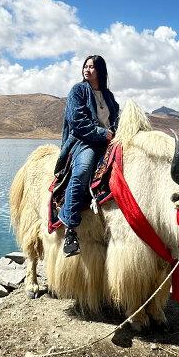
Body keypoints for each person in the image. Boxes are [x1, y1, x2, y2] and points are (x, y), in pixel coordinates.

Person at [54, 55, 119, 257]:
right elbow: (77, 122)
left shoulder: (108, 96)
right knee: (82, 170)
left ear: (100, 71)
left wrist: (114, 133)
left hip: (109, 142)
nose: (87, 70)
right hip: (84, 141)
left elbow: (116, 118)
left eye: (92, 67)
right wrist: (102, 133)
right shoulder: (78, 90)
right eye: (86, 66)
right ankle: (71, 229)